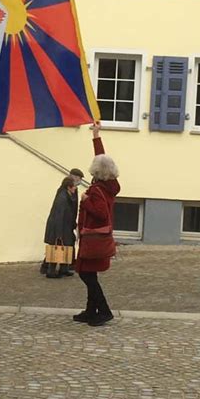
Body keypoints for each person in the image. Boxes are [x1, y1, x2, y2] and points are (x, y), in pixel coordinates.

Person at [74, 121, 120, 326]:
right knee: (88, 273)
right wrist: (96, 136)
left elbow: (100, 213)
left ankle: (104, 311)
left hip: (92, 238)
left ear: (97, 172)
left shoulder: (96, 191)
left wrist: (86, 201)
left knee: (86, 274)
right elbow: (102, 159)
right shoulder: (110, 184)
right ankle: (91, 310)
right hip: (93, 237)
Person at [40, 167, 84, 276]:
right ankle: (49, 269)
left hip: (67, 224)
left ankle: (64, 268)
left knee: (68, 243)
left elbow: (73, 207)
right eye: (79, 178)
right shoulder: (62, 196)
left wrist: (73, 223)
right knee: (58, 245)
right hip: (59, 225)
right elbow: (59, 215)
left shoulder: (71, 191)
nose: (79, 182)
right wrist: (58, 233)